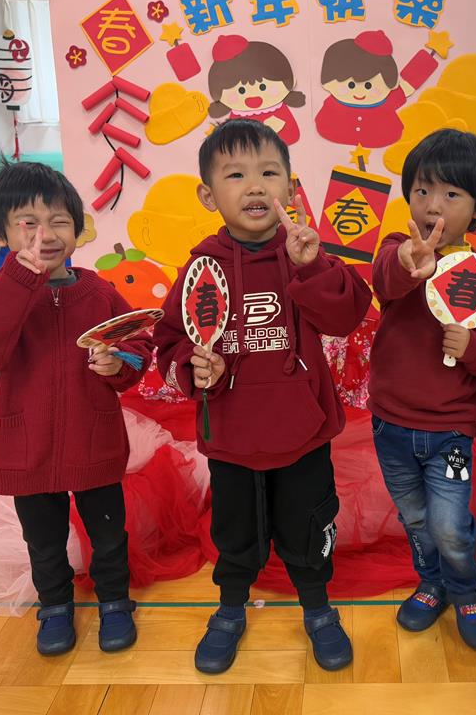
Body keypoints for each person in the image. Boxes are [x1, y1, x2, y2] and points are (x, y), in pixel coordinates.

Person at [153, 119, 372, 673]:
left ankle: (318, 608)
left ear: (291, 189)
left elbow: (346, 316)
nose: (254, 186)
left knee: (309, 528)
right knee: (235, 535)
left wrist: (312, 265)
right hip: (232, 436)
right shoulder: (202, 266)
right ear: (208, 195)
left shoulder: (305, 251)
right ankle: (230, 609)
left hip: (302, 434)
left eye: (269, 173)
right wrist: (194, 367)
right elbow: (170, 341)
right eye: (235, 175)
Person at [0, 160, 152, 656]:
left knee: (109, 532)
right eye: (28, 223)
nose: (46, 234)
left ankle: (115, 600)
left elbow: (137, 347)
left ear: (77, 229)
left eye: (59, 221)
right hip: (26, 444)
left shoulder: (99, 292)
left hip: (93, 437)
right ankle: (55, 606)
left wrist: (118, 364)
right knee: (42, 538)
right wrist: (21, 279)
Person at [368, 128, 476, 649]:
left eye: (451, 194)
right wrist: (411, 262)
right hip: (390, 424)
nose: (433, 205)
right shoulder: (397, 251)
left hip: (451, 430)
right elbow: (384, 281)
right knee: (415, 519)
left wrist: (472, 346)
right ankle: (431, 584)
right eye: (422, 190)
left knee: (449, 524)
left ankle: (466, 590)